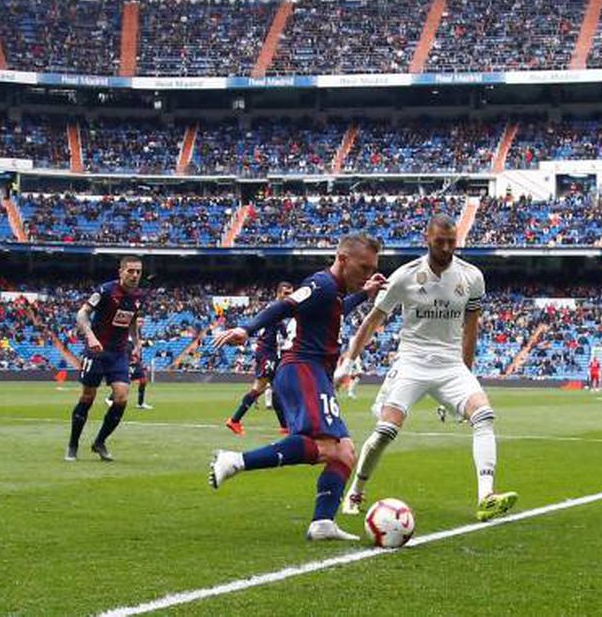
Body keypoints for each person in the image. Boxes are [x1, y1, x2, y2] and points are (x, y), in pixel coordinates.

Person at [338, 217, 518, 523]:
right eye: (440, 242)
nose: (447, 248)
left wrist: (467, 374)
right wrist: (349, 361)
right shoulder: (405, 276)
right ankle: (355, 492)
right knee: (386, 431)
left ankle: (486, 496)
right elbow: (372, 321)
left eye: (452, 242)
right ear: (427, 239)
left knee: (484, 415)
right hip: (412, 363)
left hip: (450, 366)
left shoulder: (472, 277)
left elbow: (470, 330)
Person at [208, 234, 387, 542]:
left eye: (373, 269)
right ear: (342, 260)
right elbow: (284, 306)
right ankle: (235, 460)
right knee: (330, 447)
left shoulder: (333, 291)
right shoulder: (322, 284)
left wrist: (365, 294)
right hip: (302, 368)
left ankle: (322, 523)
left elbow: (335, 310)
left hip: (312, 371)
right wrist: (246, 329)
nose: (368, 274)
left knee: (344, 452)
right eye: (363, 267)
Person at [68, 256, 143, 462]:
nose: (135, 275)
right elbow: (82, 315)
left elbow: (133, 320)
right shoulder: (105, 291)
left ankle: (99, 442)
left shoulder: (139, 295)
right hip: (97, 351)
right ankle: (73, 444)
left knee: (121, 397)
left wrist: (137, 343)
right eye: (130, 271)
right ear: (121, 272)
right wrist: (90, 337)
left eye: (138, 271)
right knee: (87, 397)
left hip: (119, 353)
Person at [227, 282, 292, 436]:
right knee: (262, 388)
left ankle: (285, 427)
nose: (288, 296)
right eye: (285, 293)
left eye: (290, 293)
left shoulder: (281, 311)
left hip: (272, 354)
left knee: (275, 389)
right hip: (266, 353)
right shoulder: (274, 309)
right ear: (278, 293)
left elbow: (281, 332)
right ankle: (235, 420)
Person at [131, 345, 153, 410]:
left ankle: (140, 403)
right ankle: (111, 399)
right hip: (131, 365)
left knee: (143, 381)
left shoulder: (137, 341)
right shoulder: (129, 343)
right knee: (124, 382)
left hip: (136, 365)